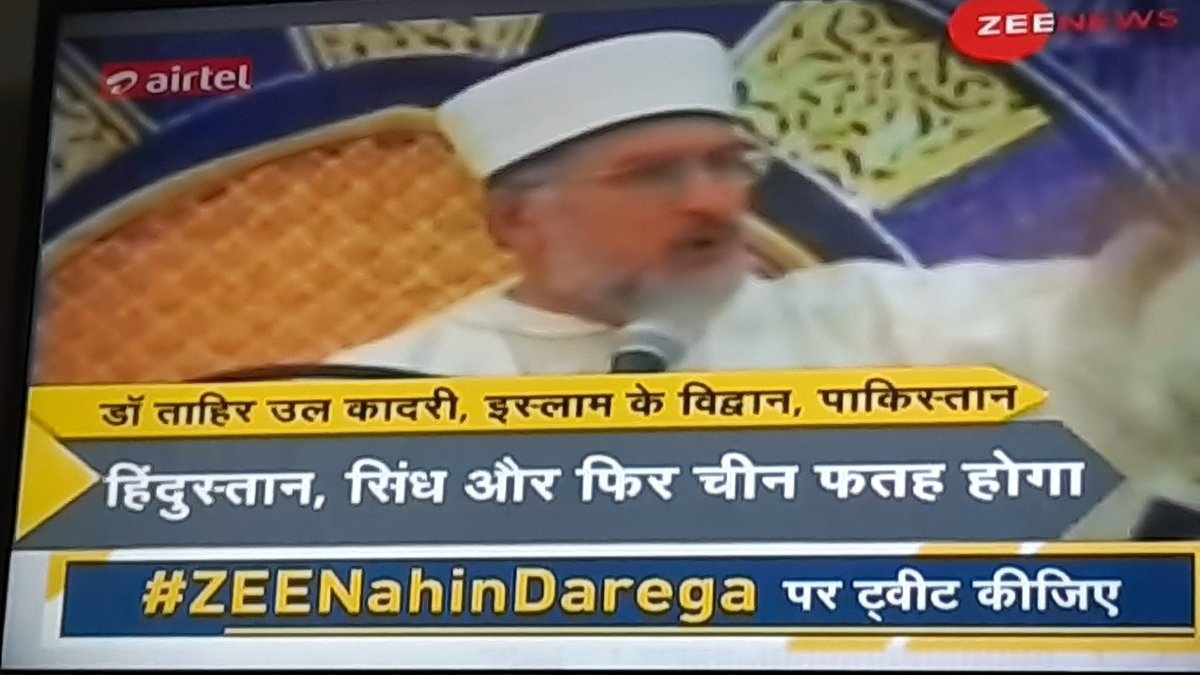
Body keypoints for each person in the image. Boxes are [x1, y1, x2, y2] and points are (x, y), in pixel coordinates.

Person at [330, 31, 1200, 539]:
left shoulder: (871, 321)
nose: (714, 200)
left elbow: (1113, 346)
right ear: (522, 220)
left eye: (728, 163)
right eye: (652, 174)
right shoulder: (387, 392)